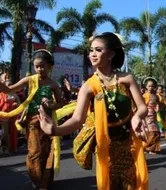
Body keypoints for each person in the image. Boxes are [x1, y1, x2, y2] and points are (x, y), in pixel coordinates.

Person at [38, 32, 149, 190]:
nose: (93, 54)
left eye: (98, 50)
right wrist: (55, 130)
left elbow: (142, 107)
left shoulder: (126, 78)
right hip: (106, 146)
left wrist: (137, 117)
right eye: (91, 50)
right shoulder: (88, 86)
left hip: (128, 144)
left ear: (110, 54)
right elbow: (77, 119)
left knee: (132, 184)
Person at [0, 49, 63, 190]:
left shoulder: (53, 84)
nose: (40, 69)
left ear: (49, 66)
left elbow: (61, 103)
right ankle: (37, 180)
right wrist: (2, 85)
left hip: (47, 121)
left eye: (43, 66)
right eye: (37, 66)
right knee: (34, 151)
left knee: (47, 151)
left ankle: (46, 182)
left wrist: (51, 104)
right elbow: (9, 90)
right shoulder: (29, 80)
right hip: (32, 121)